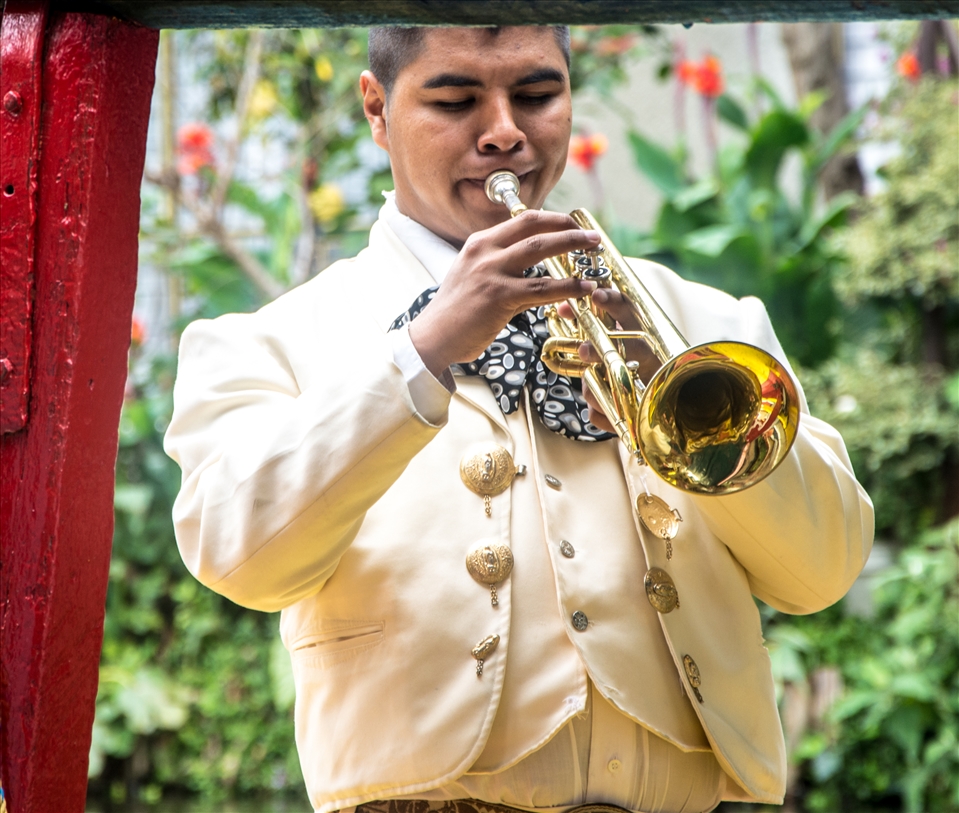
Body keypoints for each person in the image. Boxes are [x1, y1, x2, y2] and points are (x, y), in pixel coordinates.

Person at [164, 25, 874, 813]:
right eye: (455, 99)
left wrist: (674, 395)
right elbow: (236, 555)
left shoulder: (707, 320)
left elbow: (822, 570)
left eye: (537, 96)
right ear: (376, 108)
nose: (504, 132)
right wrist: (422, 351)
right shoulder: (267, 340)